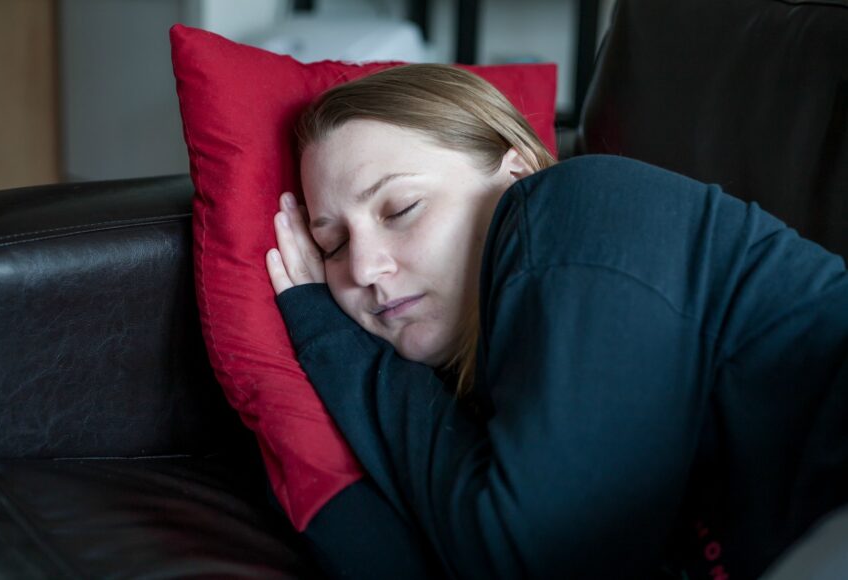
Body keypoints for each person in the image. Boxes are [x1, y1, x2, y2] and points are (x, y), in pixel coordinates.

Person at [264, 64, 848, 579]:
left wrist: (334, 340)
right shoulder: (482, 393)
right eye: (333, 245)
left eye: (401, 208)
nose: (364, 268)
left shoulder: (575, 206)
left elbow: (534, 561)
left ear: (516, 171)